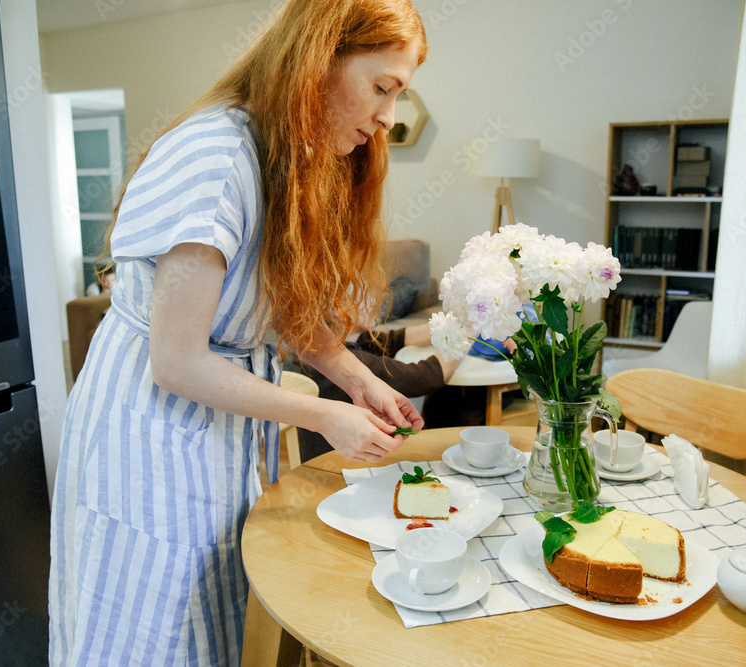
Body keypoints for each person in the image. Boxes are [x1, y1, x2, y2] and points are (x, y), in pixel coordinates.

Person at [48, 2, 427, 665]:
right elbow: (178, 361)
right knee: (148, 630)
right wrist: (326, 415)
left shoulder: (288, 159)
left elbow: (283, 312)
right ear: (321, 59)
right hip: (148, 435)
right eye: (382, 87)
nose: (389, 117)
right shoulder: (216, 157)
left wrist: (360, 381)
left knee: (204, 618)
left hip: (207, 434)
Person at [289, 322, 461, 461]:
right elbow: (427, 375)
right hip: (334, 466)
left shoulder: (343, 348)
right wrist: (463, 336)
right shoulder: (357, 358)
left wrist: (451, 324)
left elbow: (391, 339)